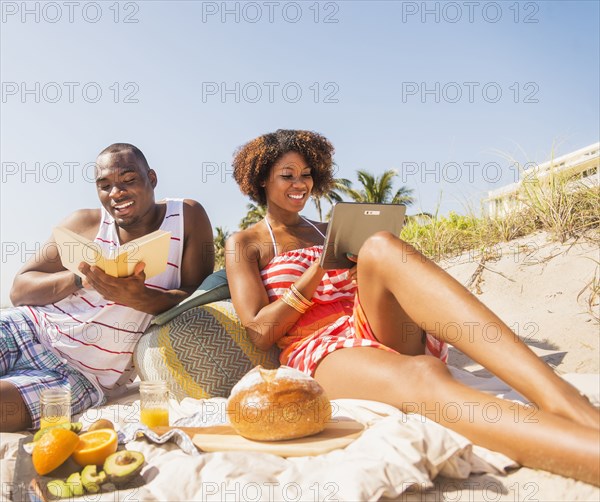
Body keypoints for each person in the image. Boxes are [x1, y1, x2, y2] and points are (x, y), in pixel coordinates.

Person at [225, 129, 599, 485]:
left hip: (370, 322)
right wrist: (317, 271)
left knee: (380, 245)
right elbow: (260, 333)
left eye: (306, 174)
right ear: (261, 181)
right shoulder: (246, 242)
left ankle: (561, 398)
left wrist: (358, 270)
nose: (300, 184)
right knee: (424, 373)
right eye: (286, 175)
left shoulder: (329, 228)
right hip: (322, 352)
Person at [1, 143, 214, 432]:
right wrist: (79, 278)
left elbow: (197, 297)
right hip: (26, 329)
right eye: (105, 186)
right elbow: (19, 290)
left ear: (151, 178)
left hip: (79, 375)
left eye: (128, 180)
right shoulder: (83, 223)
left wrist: (141, 298)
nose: (116, 193)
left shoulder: (187, 217)